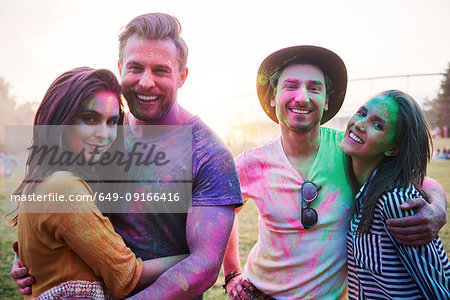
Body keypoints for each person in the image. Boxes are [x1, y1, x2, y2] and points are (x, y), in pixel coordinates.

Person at [11, 13, 243, 299]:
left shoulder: (209, 154)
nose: (146, 82)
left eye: (160, 70)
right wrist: (36, 258)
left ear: (182, 76)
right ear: (120, 67)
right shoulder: (103, 134)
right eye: (135, 68)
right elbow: (66, 211)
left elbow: (204, 265)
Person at [222, 46, 448, 299]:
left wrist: (438, 206)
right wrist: (231, 272)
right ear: (273, 97)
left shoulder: (350, 149)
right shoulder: (251, 163)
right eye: (291, 86)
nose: (302, 97)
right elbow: (222, 209)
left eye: (315, 88)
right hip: (261, 293)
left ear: (327, 100)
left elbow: (418, 181)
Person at [11, 67, 188, 299]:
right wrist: (197, 257)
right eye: (90, 118)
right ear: (61, 119)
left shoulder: (47, 177)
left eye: (112, 121)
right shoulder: (64, 187)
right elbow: (126, 276)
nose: (104, 134)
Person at [341, 90, 450, 299]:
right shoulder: (363, 193)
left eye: (377, 125)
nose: (360, 124)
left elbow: (436, 286)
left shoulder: (397, 202)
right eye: (362, 112)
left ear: (394, 148)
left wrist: (437, 204)